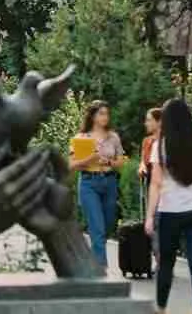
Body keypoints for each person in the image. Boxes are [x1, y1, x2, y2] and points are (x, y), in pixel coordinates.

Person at [145, 99, 192, 314]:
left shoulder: (161, 145)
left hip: (170, 212)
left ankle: (161, 308)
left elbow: (156, 183)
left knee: (166, 264)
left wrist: (149, 216)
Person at [69, 100, 126, 267]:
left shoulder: (113, 137)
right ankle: (100, 269)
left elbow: (121, 162)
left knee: (107, 225)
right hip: (89, 184)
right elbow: (71, 165)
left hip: (109, 183)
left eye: (107, 114)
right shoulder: (81, 138)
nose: (105, 117)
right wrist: (90, 159)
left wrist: (107, 162)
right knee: (97, 227)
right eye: (101, 113)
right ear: (93, 116)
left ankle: (90, 257)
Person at [139, 107, 162, 265]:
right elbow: (143, 160)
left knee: (160, 223)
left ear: (159, 122)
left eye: (149, 120)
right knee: (153, 223)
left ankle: (163, 261)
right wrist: (141, 167)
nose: (145, 123)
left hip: (165, 187)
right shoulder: (147, 141)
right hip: (151, 185)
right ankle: (160, 259)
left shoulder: (167, 141)